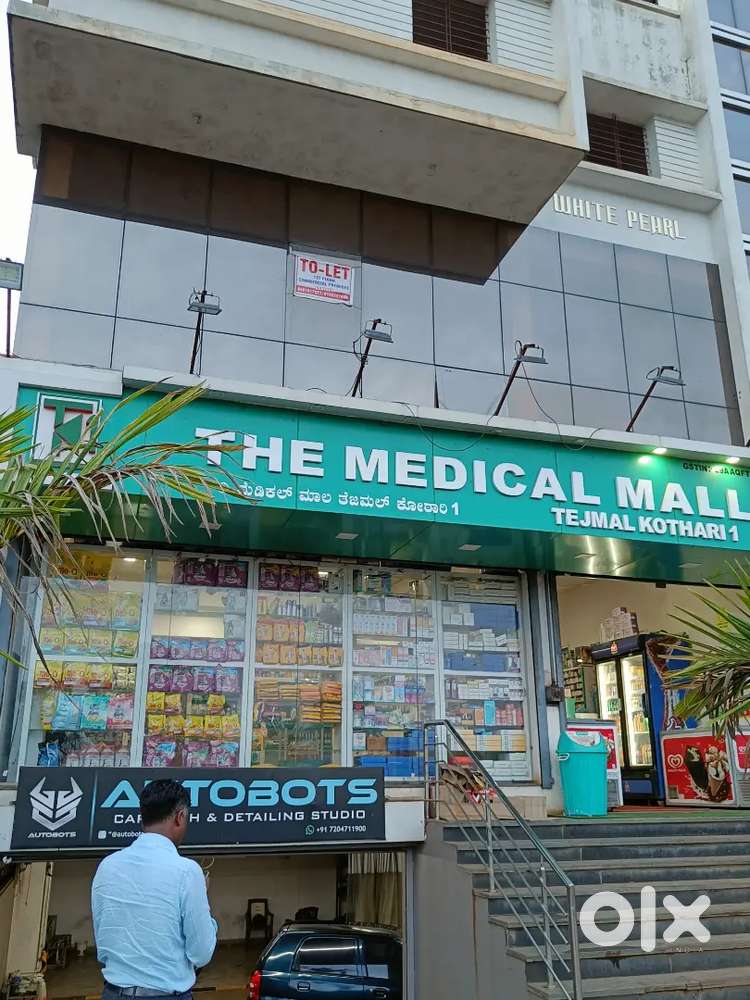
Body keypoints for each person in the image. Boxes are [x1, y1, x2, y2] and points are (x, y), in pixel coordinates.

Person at [91, 779, 217, 1000]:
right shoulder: (187, 872)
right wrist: (203, 904)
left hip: (113, 992)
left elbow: (104, 940)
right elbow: (201, 953)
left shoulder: (107, 866)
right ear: (179, 817)